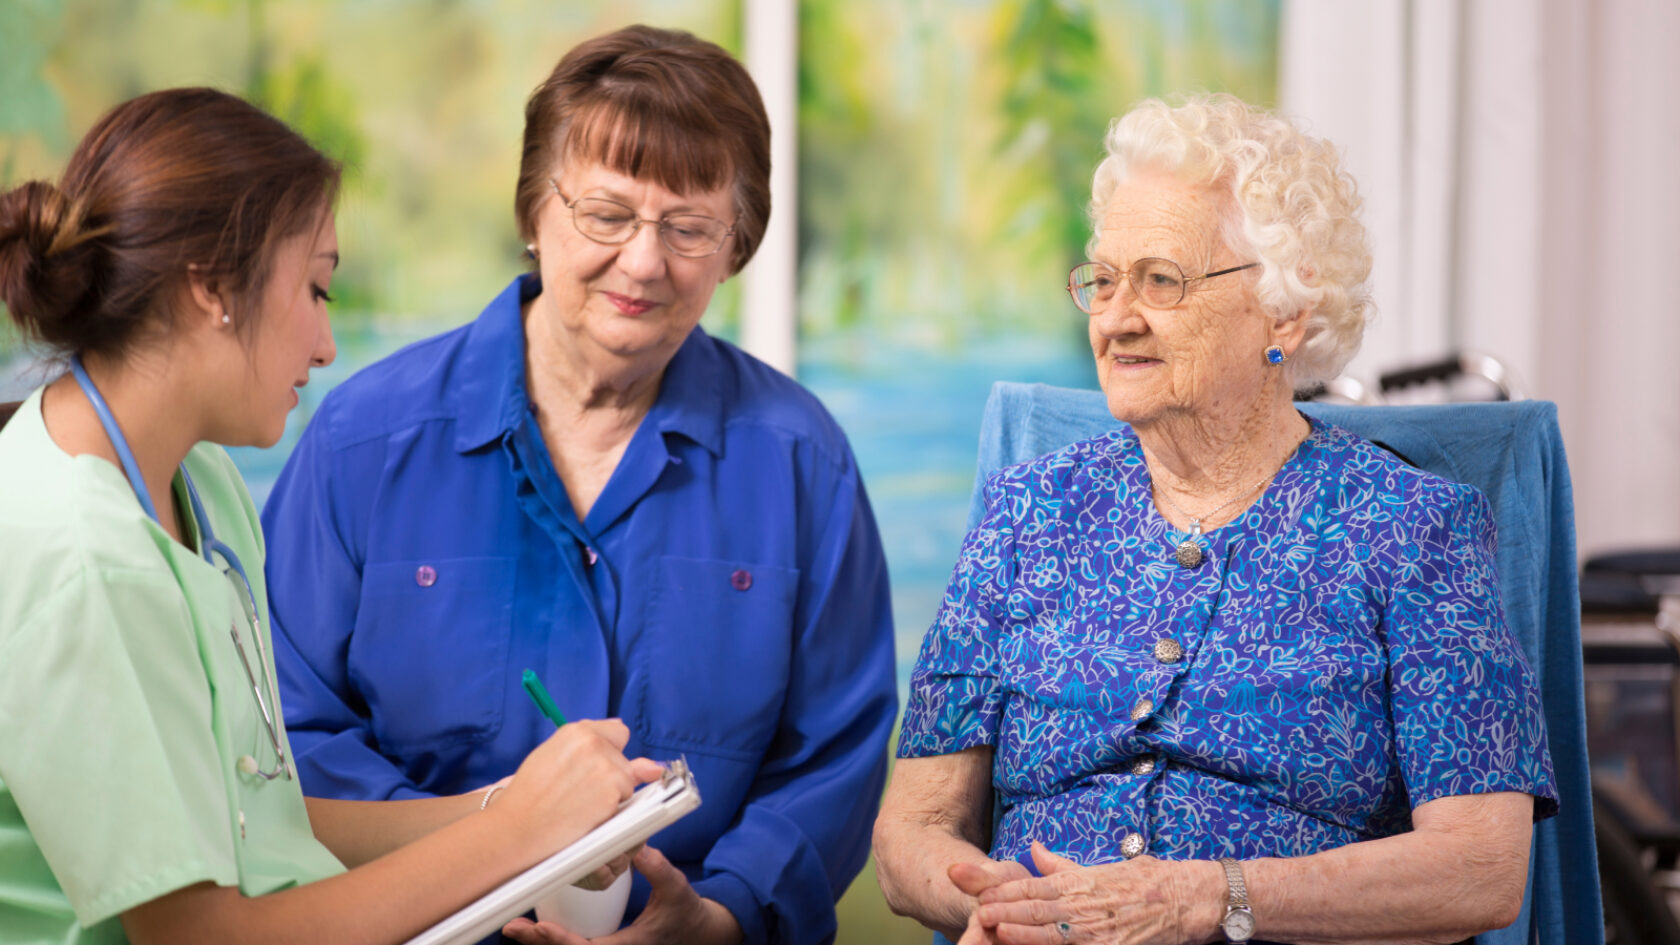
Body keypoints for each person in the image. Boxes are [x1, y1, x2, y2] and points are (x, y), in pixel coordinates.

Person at [259, 25, 898, 945]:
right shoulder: (364, 443)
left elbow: (832, 755)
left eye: (688, 227)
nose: (644, 262)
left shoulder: (803, 461)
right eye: (607, 213)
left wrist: (719, 920)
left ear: (737, 244)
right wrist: (476, 866)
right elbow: (289, 733)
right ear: (533, 212)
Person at [871, 93, 1557, 945]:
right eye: (1104, 279)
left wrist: (1210, 899)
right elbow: (909, 833)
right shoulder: (1027, 514)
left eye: (1162, 279)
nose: (1117, 317)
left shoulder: (1413, 528)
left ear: (1285, 312)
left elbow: (1481, 869)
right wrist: (1006, 906)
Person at [0, 88, 661, 945]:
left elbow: (260, 817)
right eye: (317, 290)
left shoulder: (203, 484)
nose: (326, 344)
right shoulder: (82, 555)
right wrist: (515, 837)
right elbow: (201, 935)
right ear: (210, 287)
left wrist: (513, 808)